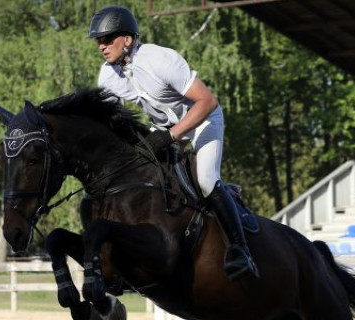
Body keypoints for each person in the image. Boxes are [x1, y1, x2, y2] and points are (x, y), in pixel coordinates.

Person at [89, 5, 258, 281]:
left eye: (107, 39)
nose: (101, 46)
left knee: (205, 179)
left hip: (202, 119)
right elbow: (110, 122)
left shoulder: (161, 60)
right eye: (99, 41)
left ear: (128, 40)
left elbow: (207, 101)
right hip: (162, 127)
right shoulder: (108, 74)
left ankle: (241, 249)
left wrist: (170, 136)